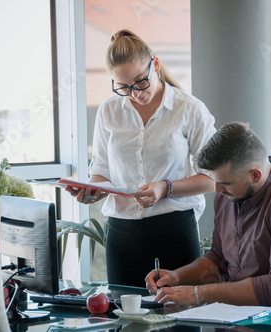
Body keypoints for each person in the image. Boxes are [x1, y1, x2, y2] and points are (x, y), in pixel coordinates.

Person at [145, 122, 271, 314]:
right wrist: (178, 277)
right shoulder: (228, 195)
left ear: (255, 175)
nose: (217, 189)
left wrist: (199, 293)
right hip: (251, 317)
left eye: (225, 182)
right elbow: (219, 259)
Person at [66, 29, 216, 287]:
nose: (135, 93)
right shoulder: (109, 111)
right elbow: (101, 169)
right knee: (123, 320)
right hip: (122, 235)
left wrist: (165, 188)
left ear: (154, 65)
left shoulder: (188, 108)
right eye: (124, 87)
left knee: (178, 320)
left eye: (140, 82)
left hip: (175, 231)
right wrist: (94, 189)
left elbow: (213, 178)